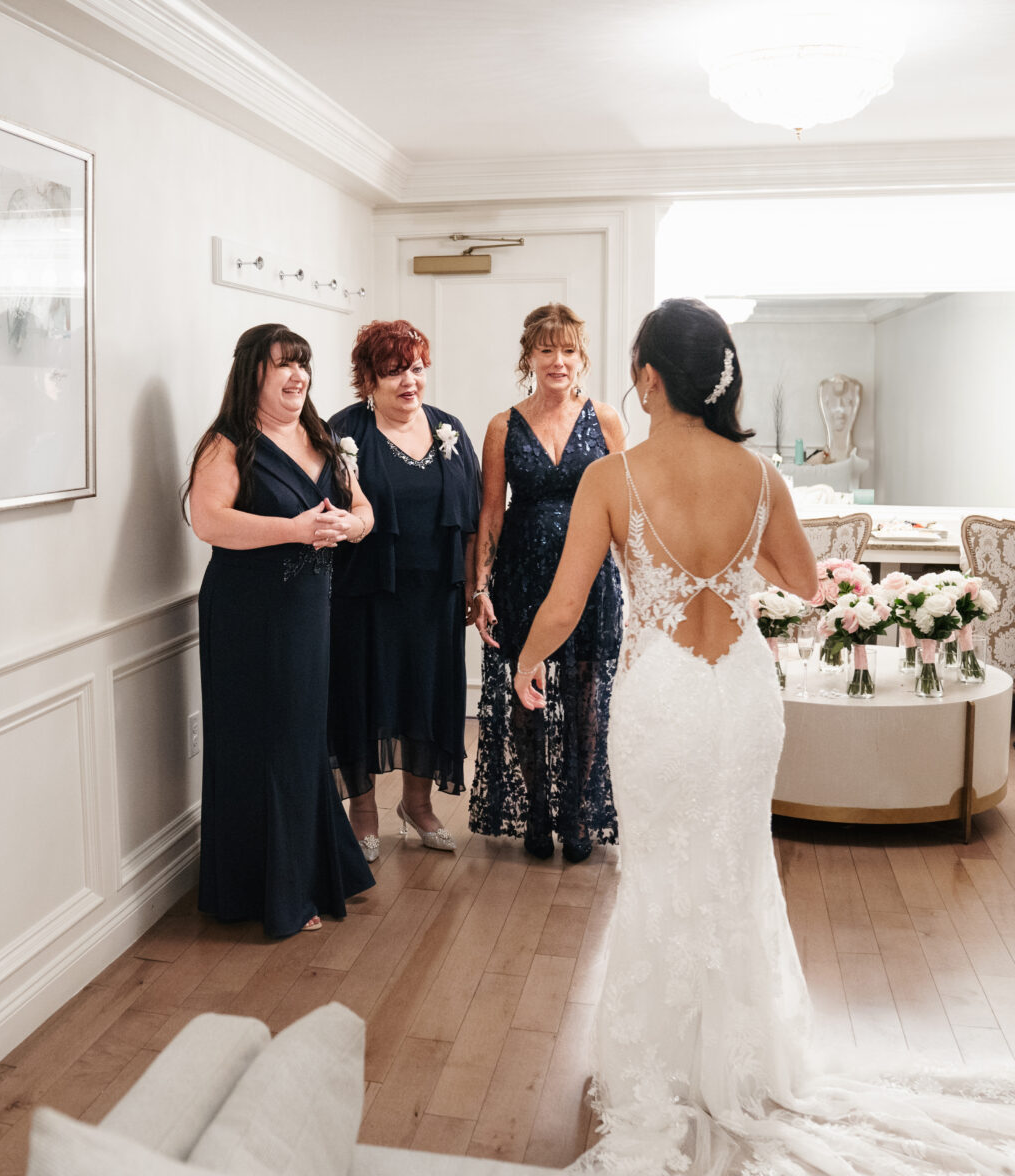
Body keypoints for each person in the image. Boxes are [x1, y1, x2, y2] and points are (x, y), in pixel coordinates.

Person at [514, 297, 1015, 1173]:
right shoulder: (759, 475)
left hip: (662, 696)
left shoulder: (614, 476)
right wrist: (734, 571)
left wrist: (526, 657)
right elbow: (804, 581)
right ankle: (746, 1059)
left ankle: (661, 1064)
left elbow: (563, 604)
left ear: (650, 376)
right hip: (742, 693)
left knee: (664, 866)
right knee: (738, 864)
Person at [186, 323, 377, 937]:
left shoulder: (321, 436)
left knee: (300, 739)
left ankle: (312, 872)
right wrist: (293, 530)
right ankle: (272, 888)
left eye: (303, 365)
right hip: (248, 613)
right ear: (254, 375)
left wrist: (349, 528)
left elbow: (364, 510)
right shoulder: (228, 442)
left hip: (308, 610)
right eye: (282, 366)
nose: (298, 376)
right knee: (263, 744)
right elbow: (208, 522)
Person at [469, 303, 625, 862]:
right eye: (546, 349)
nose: (558, 360)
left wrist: (640, 581)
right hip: (521, 574)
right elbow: (490, 514)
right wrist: (480, 587)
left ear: (582, 358)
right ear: (529, 356)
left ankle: (576, 814)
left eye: (568, 350)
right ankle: (536, 810)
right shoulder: (501, 426)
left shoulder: (606, 420)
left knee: (585, 695)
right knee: (525, 690)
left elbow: (627, 510)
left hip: (590, 577)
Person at [326, 320, 481, 861]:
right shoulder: (343, 433)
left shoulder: (449, 429)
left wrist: (473, 586)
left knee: (429, 695)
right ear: (368, 378)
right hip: (365, 593)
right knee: (362, 695)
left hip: (436, 593)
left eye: (416, 369)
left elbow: (473, 520)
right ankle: (363, 811)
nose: (409, 382)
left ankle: (417, 806)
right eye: (394, 372)